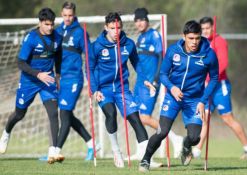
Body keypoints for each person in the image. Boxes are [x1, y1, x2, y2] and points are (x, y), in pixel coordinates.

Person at [138, 20, 219, 172]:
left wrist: (203, 101)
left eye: (197, 38)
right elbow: (163, 74)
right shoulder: (173, 50)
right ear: (184, 36)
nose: (194, 42)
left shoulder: (209, 54)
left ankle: (186, 146)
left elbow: (214, 79)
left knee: (195, 137)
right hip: (173, 98)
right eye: (191, 38)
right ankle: (145, 160)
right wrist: (172, 87)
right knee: (162, 131)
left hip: (195, 100)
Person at [0, 8, 62, 164]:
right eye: (47, 24)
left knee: (53, 113)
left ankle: (53, 151)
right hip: (29, 81)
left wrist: (58, 76)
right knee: (19, 114)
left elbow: (58, 56)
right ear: (40, 23)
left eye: (52, 24)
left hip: (47, 80)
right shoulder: (31, 38)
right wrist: (38, 74)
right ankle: (6, 133)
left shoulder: (58, 38)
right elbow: (20, 63)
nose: (50, 27)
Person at [88, 12, 149, 168]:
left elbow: (137, 63)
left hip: (122, 89)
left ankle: (145, 159)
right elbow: (89, 68)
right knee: (111, 113)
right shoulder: (96, 46)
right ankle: (116, 151)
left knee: (136, 120)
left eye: (119, 28)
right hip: (104, 90)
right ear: (106, 28)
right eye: (112, 28)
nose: (116, 31)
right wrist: (94, 90)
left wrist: (146, 80)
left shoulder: (128, 44)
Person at [192, 17, 247, 160]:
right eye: (203, 29)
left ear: (213, 27)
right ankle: (197, 150)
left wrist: (209, 79)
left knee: (227, 119)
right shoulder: (201, 43)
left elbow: (223, 63)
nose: (205, 31)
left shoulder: (220, 41)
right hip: (207, 88)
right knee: (204, 117)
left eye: (208, 28)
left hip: (220, 86)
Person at [46, 2, 98, 163]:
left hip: (74, 79)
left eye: (70, 15)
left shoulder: (80, 32)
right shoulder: (57, 31)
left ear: (74, 15)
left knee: (65, 114)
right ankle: (92, 144)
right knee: (67, 114)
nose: (68, 18)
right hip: (60, 79)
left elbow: (89, 57)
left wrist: (91, 81)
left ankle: (56, 150)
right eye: (65, 15)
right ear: (61, 14)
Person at [132, 7, 183, 160]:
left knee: (145, 117)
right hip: (140, 83)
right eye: (137, 20)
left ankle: (175, 138)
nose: (140, 23)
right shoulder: (140, 38)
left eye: (142, 20)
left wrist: (155, 80)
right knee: (135, 116)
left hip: (151, 83)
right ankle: (140, 150)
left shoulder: (154, 35)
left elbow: (161, 58)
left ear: (147, 21)